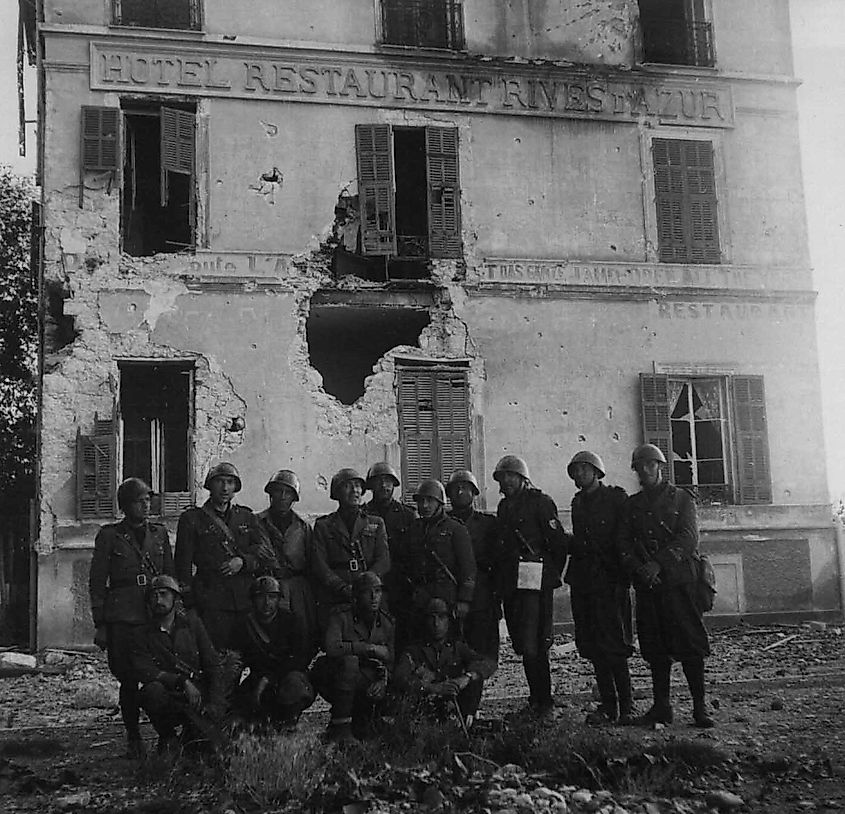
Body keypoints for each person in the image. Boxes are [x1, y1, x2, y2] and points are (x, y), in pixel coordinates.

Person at [618, 444, 714, 728]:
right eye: (640, 466)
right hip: (649, 586)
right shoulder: (631, 505)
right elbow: (622, 543)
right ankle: (662, 707)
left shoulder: (682, 499)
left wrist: (658, 564)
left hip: (679, 583)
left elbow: (688, 538)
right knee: (655, 648)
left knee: (690, 646)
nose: (645, 471)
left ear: (660, 467)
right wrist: (640, 569)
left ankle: (700, 707)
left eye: (650, 465)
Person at [88, 477, 173, 758]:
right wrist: (100, 623)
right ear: (125, 505)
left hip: (154, 614)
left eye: (148, 499)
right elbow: (98, 581)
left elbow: (169, 576)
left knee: (159, 678)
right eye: (140, 500)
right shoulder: (109, 535)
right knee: (127, 678)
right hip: (122, 616)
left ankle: (165, 734)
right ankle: (133, 735)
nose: (146, 505)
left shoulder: (159, 534)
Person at [494, 455, 569, 718]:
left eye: (511, 476)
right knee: (524, 643)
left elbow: (558, 544)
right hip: (514, 583)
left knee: (538, 641)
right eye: (503, 478)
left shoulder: (541, 503)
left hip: (536, 583)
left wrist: (549, 576)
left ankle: (545, 701)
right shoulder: (504, 508)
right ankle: (534, 699)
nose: (507, 482)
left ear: (523, 478)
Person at [565, 451, 634, 725]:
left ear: (597, 472)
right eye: (576, 471)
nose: (579, 475)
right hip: (585, 581)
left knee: (615, 646)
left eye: (584, 469)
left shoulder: (616, 498)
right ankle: (608, 705)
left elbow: (625, 538)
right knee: (594, 646)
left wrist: (623, 572)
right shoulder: (578, 502)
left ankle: (627, 706)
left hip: (610, 580)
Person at [174, 462, 271, 650]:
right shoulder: (192, 519)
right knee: (215, 655)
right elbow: (182, 564)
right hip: (210, 599)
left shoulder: (246, 517)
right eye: (219, 481)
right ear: (210, 485)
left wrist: (243, 561)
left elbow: (264, 555)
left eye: (230, 482)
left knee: (243, 655)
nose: (225, 487)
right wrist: (189, 602)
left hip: (244, 599)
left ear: (236, 487)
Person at [131, 575, 225, 753]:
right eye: (153, 595)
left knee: (212, 749)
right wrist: (181, 681)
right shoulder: (142, 634)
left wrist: (214, 704)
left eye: (163, 594)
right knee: (151, 691)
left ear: (175, 598)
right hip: (168, 697)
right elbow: (144, 670)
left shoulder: (192, 626)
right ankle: (168, 736)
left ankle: (190, 737)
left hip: (196, 697)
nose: (158, 600)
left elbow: (212, 664)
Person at [310, 571, 394, 742]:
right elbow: (332, 647)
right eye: (367, 592)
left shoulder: (387, 623)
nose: (373, 597)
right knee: (350, 662)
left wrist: (383, 681)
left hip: (366, 678)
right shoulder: (340, 616)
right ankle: (341, 726)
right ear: (356, 596)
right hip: (333, 675)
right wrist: (368, 648)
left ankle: (364, 722)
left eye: (377, 591)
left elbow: (390, 659)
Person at [396, 479, 476, 650]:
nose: (424, 505)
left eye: (430, 501)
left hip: (446, 595)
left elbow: (468, 568)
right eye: (421, 501)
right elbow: (404, 563)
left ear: (440, 503)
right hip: (420, 596)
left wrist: (464, 600)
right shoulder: (413, 529)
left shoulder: (456, 529)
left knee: (449, 645)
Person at [393, 597, 496, 728]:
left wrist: (466, 678)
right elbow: (400, 677)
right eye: (432, 618)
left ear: (449, 620)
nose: (436, 623)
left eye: (441, 617)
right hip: (422, 714)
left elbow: (488, 663)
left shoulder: (457, 648)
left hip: (453, 713)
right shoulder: (414, 651)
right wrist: (432, 688)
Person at [229, 576, 315, 730]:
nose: (266, 603)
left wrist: (270, 678)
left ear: (278, 599)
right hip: (257, 677)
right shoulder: (243, 625)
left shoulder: (292, 621)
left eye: (272, 597)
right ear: (253, 600)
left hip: (285, 676)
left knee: (295, 686)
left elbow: (300, 657)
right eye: (260, 597)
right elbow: (237, 659)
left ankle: (289, 725)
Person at [312, 468, 390, 630]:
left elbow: (383, 560)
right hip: (336, 596)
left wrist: (366, 585)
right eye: (348, 486)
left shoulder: (376, 523)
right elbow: (320, 564)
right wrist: (341, 587)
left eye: (358, 486)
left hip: (369, 595)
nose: (355, 490)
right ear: (337, 492)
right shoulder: (324, 526)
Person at [256, 469, 319, 661]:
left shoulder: (303, 526)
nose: (282, 497)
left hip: (297, 587)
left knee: (302, 632)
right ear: (270, 494)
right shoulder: (257, 522)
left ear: (294, 498)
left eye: (288, 493)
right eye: (278, 491)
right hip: (267, 585)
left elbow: (311, 561)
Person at [445, 469, 502, 662]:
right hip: (451, 594)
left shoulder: (489, 524)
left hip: (482, 596)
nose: (460, 492)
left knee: (481, 652)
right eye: (455, 488)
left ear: (474, 492)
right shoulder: (443, 524)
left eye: (465, 488)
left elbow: (498, 560)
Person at [363, 461, 415, 609]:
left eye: (388, 481)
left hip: (400, 581)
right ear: (371, 486)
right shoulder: (363, 514)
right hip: (372, 579)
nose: (384, 486)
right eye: (378, 482)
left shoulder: (408, 515)